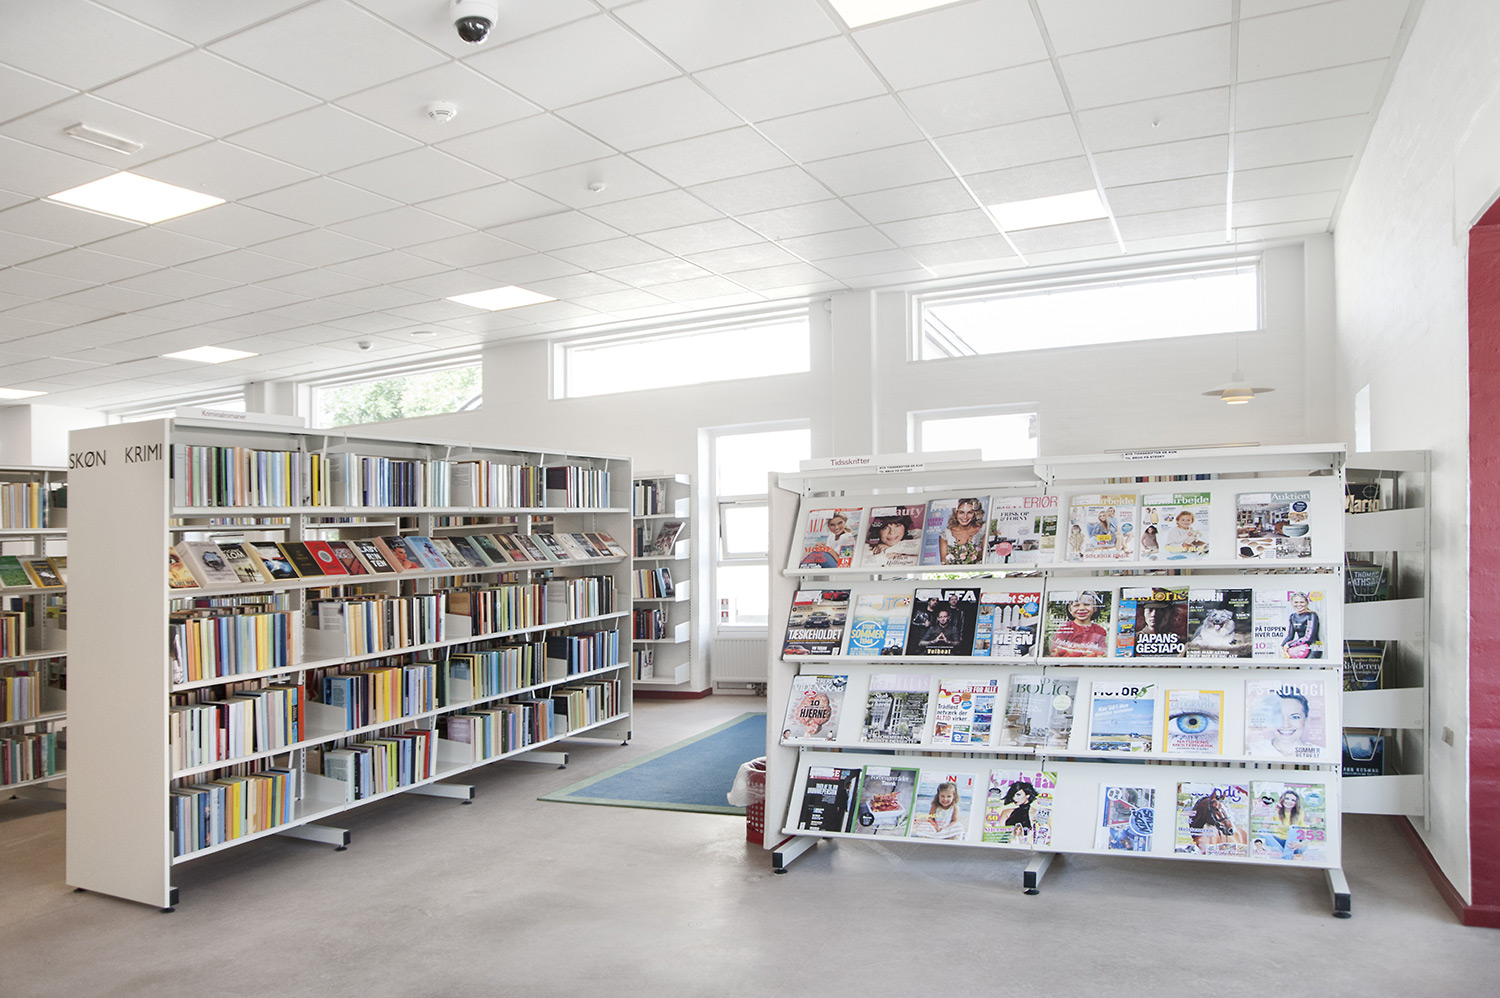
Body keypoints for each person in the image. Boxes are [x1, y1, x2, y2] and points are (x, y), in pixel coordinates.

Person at [1247, 690, 1314, 757]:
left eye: (1295, 717)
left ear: (1306, 719)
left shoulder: (1319, 754)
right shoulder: (1252, 750)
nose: (1285, 725)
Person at [1047, 593, 1108, 657]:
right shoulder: (1065, 628)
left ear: (1095, 608)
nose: (1081, 608)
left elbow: (1102, 652)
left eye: (1087, 604)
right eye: (1076, 605)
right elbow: (1055, 651)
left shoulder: (1100, 631)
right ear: (1070, 610)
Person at [1260, 788, 1309, 860]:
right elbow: (1264, 827)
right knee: (1261, 831)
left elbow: (1306, 834)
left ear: (1296, 803)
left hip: (1295, 844)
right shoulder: (1276, 811)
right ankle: (1285, 854)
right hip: (1280, 843)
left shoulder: (1300, 813)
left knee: (1293, 827)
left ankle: (1286, 857)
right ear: (1282, 800)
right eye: (1287, 799)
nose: (1289, 802)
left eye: (1293, 800)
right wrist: (1272, 810)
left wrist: (1301, 844)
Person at [938, 497, 985, 565]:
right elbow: (944, 562)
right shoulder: (946, 534)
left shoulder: (983, 529)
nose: (965, 517)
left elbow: (984, 555)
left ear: (975, 514)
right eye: (961, 512)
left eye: (970, 512)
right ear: (956, 513)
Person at [1281, 593, 1322, 657]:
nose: (1299, 605)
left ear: (1307, 603)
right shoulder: (1293, 616)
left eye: (1302, 602)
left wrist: (1289, 645)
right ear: (1292, 603)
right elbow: (1290, 636)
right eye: (1296, 602)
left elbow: (1308, 638)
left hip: (1313, 648)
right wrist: (1282, 646)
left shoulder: (1312, 615)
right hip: (1300, 647)